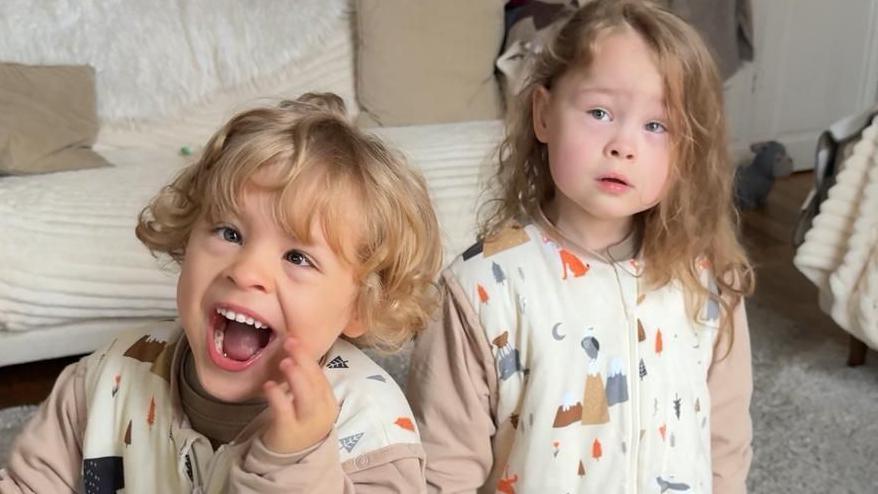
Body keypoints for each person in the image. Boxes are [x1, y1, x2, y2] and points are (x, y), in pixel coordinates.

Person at [1, 93, 442, 493]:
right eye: (230, 233)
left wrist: (292, 462)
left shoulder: (373, 431)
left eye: (297, 257)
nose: (246, 271)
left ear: (361, 305)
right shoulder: (109, 377)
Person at [406, 1, 755, 492]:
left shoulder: (709, 279)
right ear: (544, 115)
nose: (623, 145)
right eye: (599, 112)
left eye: (657, 125)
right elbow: (445, 470)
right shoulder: (480, 291)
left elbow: (725, 443)